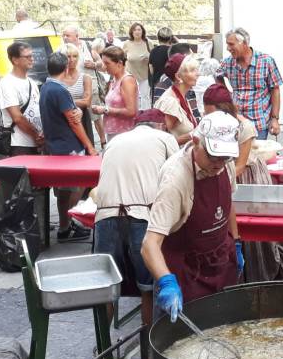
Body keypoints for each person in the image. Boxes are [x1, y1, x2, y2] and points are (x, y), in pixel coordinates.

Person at [142, 110, 244, 323]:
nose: (219, 163)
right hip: (186, 270)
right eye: (213, 156)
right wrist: (166, 282)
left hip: (220, 258)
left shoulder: (226, 164)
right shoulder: (175, 179)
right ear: (196, 141)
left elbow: (228, 204)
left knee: (225, 328)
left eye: (225, 157)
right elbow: (149, 244)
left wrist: (236, 243)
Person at [94, 116, 180, 326]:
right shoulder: (165, 138)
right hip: (142, 216)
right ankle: (149, 350)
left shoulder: (115, 140)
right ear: (161, 125)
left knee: (106, 289)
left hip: (105, 216)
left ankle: (102, 347)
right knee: (149, 289)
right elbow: (178, 175)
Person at [203, 83, 283, 281]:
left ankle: (260, 277)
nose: (208, 118)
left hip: (246, 176)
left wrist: (216, 179)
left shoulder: (245, 126)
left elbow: (240, 165)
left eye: (212, 113)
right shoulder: (209, 125)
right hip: (224, 173)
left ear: (224, 108)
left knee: (254, 233)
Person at [39, 53, 96, 242]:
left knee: (65, 189)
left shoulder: (46, 87)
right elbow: (73, 121)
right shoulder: (59, 90)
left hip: (56, 143)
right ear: (65, 69)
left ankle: (66, 225)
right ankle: (68, 223)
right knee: (77, 185)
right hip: (69, 145)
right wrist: (89, 145)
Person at [219, 27, 282, 139]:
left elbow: (275, 90)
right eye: (227, 44)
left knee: (257, 155)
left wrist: (275, 119)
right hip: (235, 122)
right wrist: (227, 95)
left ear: (244, 43)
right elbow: (217, 76)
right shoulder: (227, 63)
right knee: (237, 156)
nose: (228, 48)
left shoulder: (266, 61)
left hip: (258, 122)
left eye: (231, 44)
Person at [0, 41, 43, 156]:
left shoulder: (31, 82)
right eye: (27, 56)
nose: (32, 59)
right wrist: (36, 135)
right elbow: (17, 117)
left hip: (36, 142)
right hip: (19, 144)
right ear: (15, 60)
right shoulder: (7, 83)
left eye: (32, 56)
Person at [91, 46, 138, 140]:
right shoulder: (114, 79)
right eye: (103, 63)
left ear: (119, 63)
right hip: (114, 132)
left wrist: (105, 110)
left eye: (107, 63)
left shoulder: (127, 80)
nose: (104, 66)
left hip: (123, 134)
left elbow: (131, 111)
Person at [154, 54, 198, 145]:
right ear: (178, 77)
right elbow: (162, 142)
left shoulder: (181, 96)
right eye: (192, 70)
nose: (198, 74)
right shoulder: (170, 102)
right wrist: (192, 135)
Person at [59, 42, 95, 144]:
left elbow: (87, 102)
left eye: (75, 56)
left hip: (82, 118)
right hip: (63, 120)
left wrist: (63, 103)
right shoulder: (58, 79)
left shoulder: (85, 77)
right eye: (68, 56)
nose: (72, 59)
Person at [123, 23, 152, 110]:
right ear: (131, 32)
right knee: (132, 96)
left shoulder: (148, 43)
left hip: (144, 74)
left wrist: (148, 59)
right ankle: (133, 114)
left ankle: (146, 116)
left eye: (139, 29)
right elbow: (122, 58)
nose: (137, 32)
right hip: (131, 74)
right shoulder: (127, 43)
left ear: (142, 31)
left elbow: (153, 57)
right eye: (135, 30)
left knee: (145, 96)